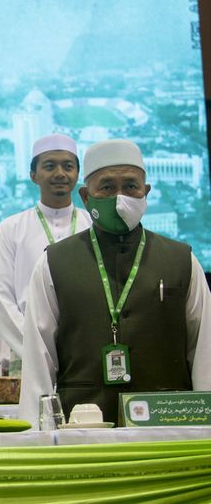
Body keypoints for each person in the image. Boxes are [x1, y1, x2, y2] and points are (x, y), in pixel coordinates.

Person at [18, 140, 211, 426]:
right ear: (86, 196)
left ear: (146, 192)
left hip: (169, 426)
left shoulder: (181, 260)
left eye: (131, 186)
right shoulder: (54, 263)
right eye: (107, 187)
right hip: (82, 429)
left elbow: (205, 350)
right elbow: (38, 358)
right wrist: (37, 438)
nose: (120, 197)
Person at [0, 134, 92, 380]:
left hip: (83, 350)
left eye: (68, 166)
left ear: (77, 174)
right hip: (25, 352)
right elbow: (2, 296)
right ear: (33, 175)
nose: (60, 173)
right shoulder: (11, 227)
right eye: (50, 166)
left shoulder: (92, 226)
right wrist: (34, 348)